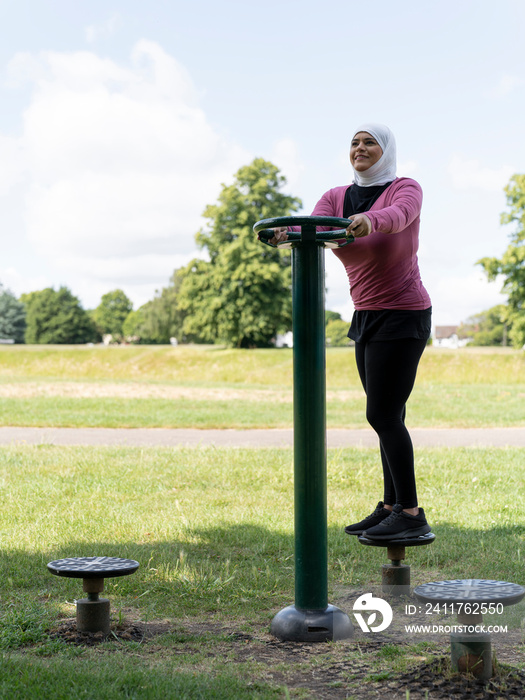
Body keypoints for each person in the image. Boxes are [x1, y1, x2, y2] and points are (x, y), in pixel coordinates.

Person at [270, 123, 431, 540]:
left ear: (386, 150)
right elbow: (317, 227)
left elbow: (398, 218)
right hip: (366, 314)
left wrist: (367, 221)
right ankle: (392, 505)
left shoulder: (404, 188)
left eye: (370, 142)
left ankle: (411, 513)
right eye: (355, 143)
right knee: (388, 415)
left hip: (403, 312)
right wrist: (288, 235)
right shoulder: (336, 197)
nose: (360, 148)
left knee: (380, 414)